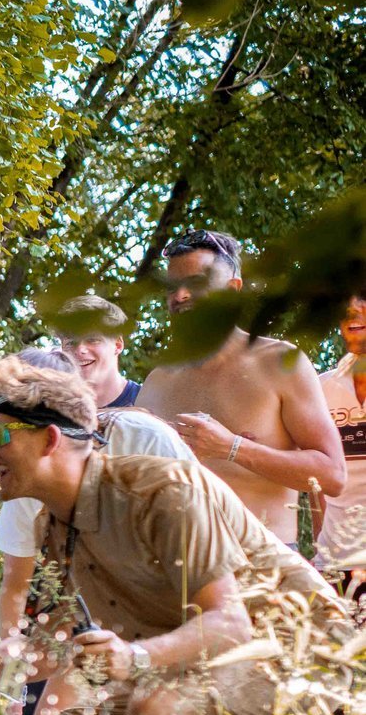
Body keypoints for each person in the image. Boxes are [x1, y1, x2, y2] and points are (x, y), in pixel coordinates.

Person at [0, 354, 345, 715]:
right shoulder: (55, 526)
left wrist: (133, 657)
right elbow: (50, 650)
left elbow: (231, 624)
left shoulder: (162, 492)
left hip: (301, 649)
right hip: (196, 659)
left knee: (156, 709)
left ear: (50, 439)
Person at [138, 230, 346, 545]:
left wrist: (232, 448)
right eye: (172, 286)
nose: (180, 296)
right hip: (175, 564)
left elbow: (333, 475)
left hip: (263, 561)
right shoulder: (158, 381)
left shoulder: (279, 362)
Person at [0, 346, 195, 645]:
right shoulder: (26, 481)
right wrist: (11, 669)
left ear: (49, 434)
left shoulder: (147, 444)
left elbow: (209, 596)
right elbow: (16, 588)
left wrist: (139, 655)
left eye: (2, 433)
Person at [312, 295, 366, 593]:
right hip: (335, 564)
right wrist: (321, 551)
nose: (353, 309)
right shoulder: (319, 388)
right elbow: (315, 480)